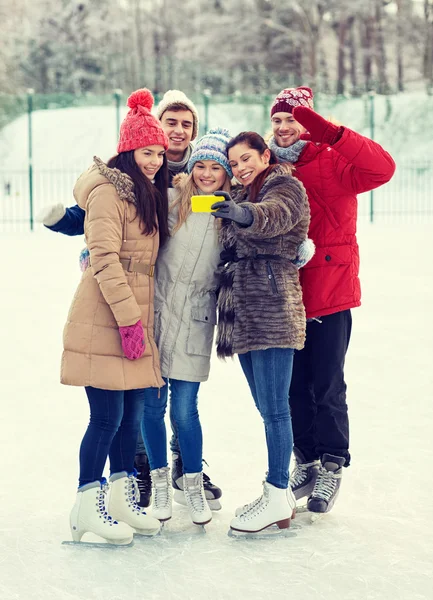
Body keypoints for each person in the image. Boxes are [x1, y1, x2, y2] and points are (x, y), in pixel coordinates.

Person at [37, 90, 223, 510]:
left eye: (185, 125)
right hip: (134, 302)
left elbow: (227, 212)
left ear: (194, 132)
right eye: (169, 124)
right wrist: (70, 225)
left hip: (174, 305)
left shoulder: (200, 172)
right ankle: (137, 475)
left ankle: (178, 468)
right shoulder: (126, 175)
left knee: (172, 404)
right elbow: (98, 217)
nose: (174, 136)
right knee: (130, 409)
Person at [269, 86, 396, 513]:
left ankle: (332, 462)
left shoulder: (336, 160)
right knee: (290, 388)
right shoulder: (269, 167)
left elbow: (383, 168)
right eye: (279, 120)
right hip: (284, 294)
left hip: (329, 291)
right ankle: (305, 458)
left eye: (293, 119)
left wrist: (325, 129)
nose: (285, 128)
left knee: (326, 385)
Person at [62, 88, 168, 544]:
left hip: (133, 312)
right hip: (106, 315)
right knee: (105, 416)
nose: (155, 161)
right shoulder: (108, 192)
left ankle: (123, 498)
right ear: (128, 149)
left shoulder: (145, 191)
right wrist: (128, 322)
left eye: (160, 153)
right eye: (147, 152)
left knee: (131, 414)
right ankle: (87, 504)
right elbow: (104, 259)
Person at [210, 131, 311, 534]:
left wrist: (241, 214)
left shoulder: (284, 184)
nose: (239, 167)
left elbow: (275, 214)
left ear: (264, 154)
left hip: (272, 306)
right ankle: (278, 491)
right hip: (245, 312)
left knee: (275, 410)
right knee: (266, 407)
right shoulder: (240, 191)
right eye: (233, 163)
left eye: (246, 158)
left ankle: (276, 491)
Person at [141, 128, 232, 526]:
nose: (207, 174)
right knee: (151, 405)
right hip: (158, 315)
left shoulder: (229, 211)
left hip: (196, 320)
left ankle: (191, 486)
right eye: (202, 166)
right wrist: (92, 246)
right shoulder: (170, 198)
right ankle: (160, 483)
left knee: (184, 411)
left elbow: (262, 235)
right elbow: (133, 230)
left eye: (216, 167)